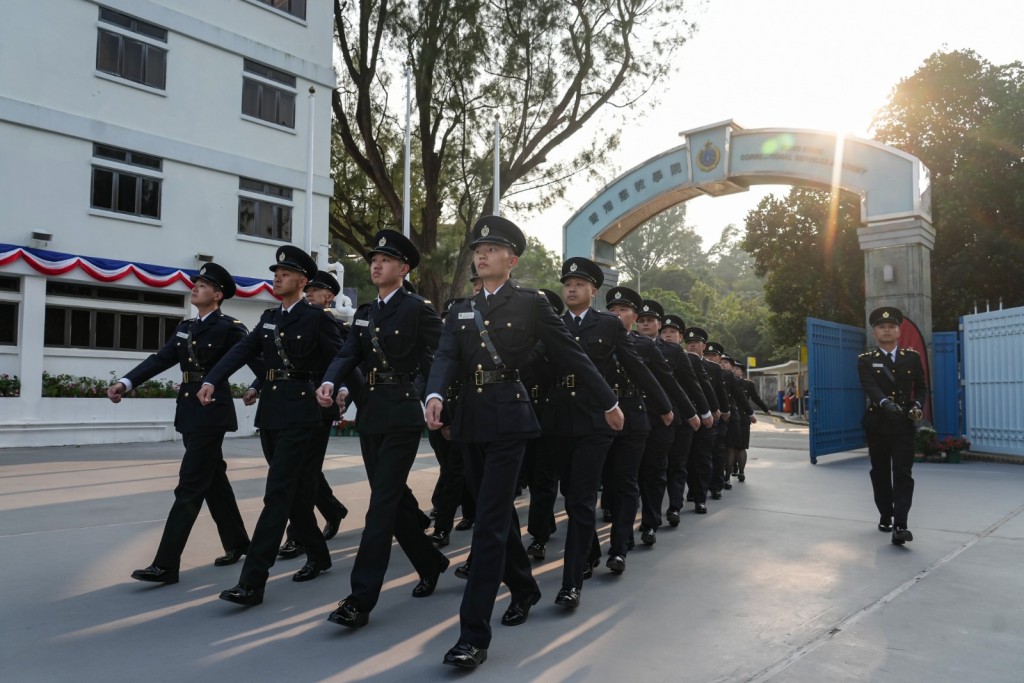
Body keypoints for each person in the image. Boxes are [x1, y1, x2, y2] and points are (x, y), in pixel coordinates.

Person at [424, 217, 623, 670]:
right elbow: (446, 358)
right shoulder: (459, 310)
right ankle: (525, 586)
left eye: (492, 249)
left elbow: (571, 355)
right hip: (471, 423)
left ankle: (472, 636)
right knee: (495, 518)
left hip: (511, 422)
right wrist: (434, 394)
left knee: (489, 523)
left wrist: (608, 401)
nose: (481, 254)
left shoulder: (531, 304)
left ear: (511, 261)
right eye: (478, 249)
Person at [316, 229, 449, 628]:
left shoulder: (417, 308)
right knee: (393, 499)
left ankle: (360, 599)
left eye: (386, 260)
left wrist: (434, 397)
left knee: (380, 508)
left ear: (404, 269)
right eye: (374, 258)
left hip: (404, 413)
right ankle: (431, 561)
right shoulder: (364, 313)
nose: (376, 264)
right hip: (371, 413)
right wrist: (332, 381)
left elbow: (443, 356)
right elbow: (347, 353)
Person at [198, 246, 343, 605]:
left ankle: (252, 582)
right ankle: (319, 555)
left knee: (277, 494)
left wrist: (342, 393)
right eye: (276, 271)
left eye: (286, 272)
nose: (277, 276)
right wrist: (213, 379)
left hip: (302, 415)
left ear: (302, 280)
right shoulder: (267, 318)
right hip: (272, 414)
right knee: (297, 494)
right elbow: (240, 352)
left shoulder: (317, 318)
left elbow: (343, 359)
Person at [110, 262, 259, 585]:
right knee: (213, 478)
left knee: (190, 485)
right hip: (189, 411)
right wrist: (126, 382)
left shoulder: (230, 327)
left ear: (218, 295)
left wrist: (257, 386)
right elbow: (160, 359)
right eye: (196, 283)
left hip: (211, 410)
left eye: (203, 285)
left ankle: (166, 564)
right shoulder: (185, 327)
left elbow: (256, 357)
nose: (195, 288)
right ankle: (237, 542)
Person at [276, 270, 352, 561]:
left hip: (320, 405)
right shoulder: (291, 321)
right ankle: (332, 509)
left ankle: (297, 536)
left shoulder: (332, 324)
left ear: (329, 296)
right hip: (294, 404)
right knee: (303, 470)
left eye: (316, 290)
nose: (309, 292)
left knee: (303, 472)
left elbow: (342, 361)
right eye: (308, 288)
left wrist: (343, 389)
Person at [857, 306, 927, 545]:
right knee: (880, 472)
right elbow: (870, 387)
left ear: (899, 331)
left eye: (891, 327)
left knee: (903, 473)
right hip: (877, 424)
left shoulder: (912, 357)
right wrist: (886, 403)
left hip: (904, 425)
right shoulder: (866, 361)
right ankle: (885, 513)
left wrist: (917, 404)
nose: (887, 330)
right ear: (875, 333)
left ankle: (901, 524)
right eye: (881, 327)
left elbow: (922, 388)